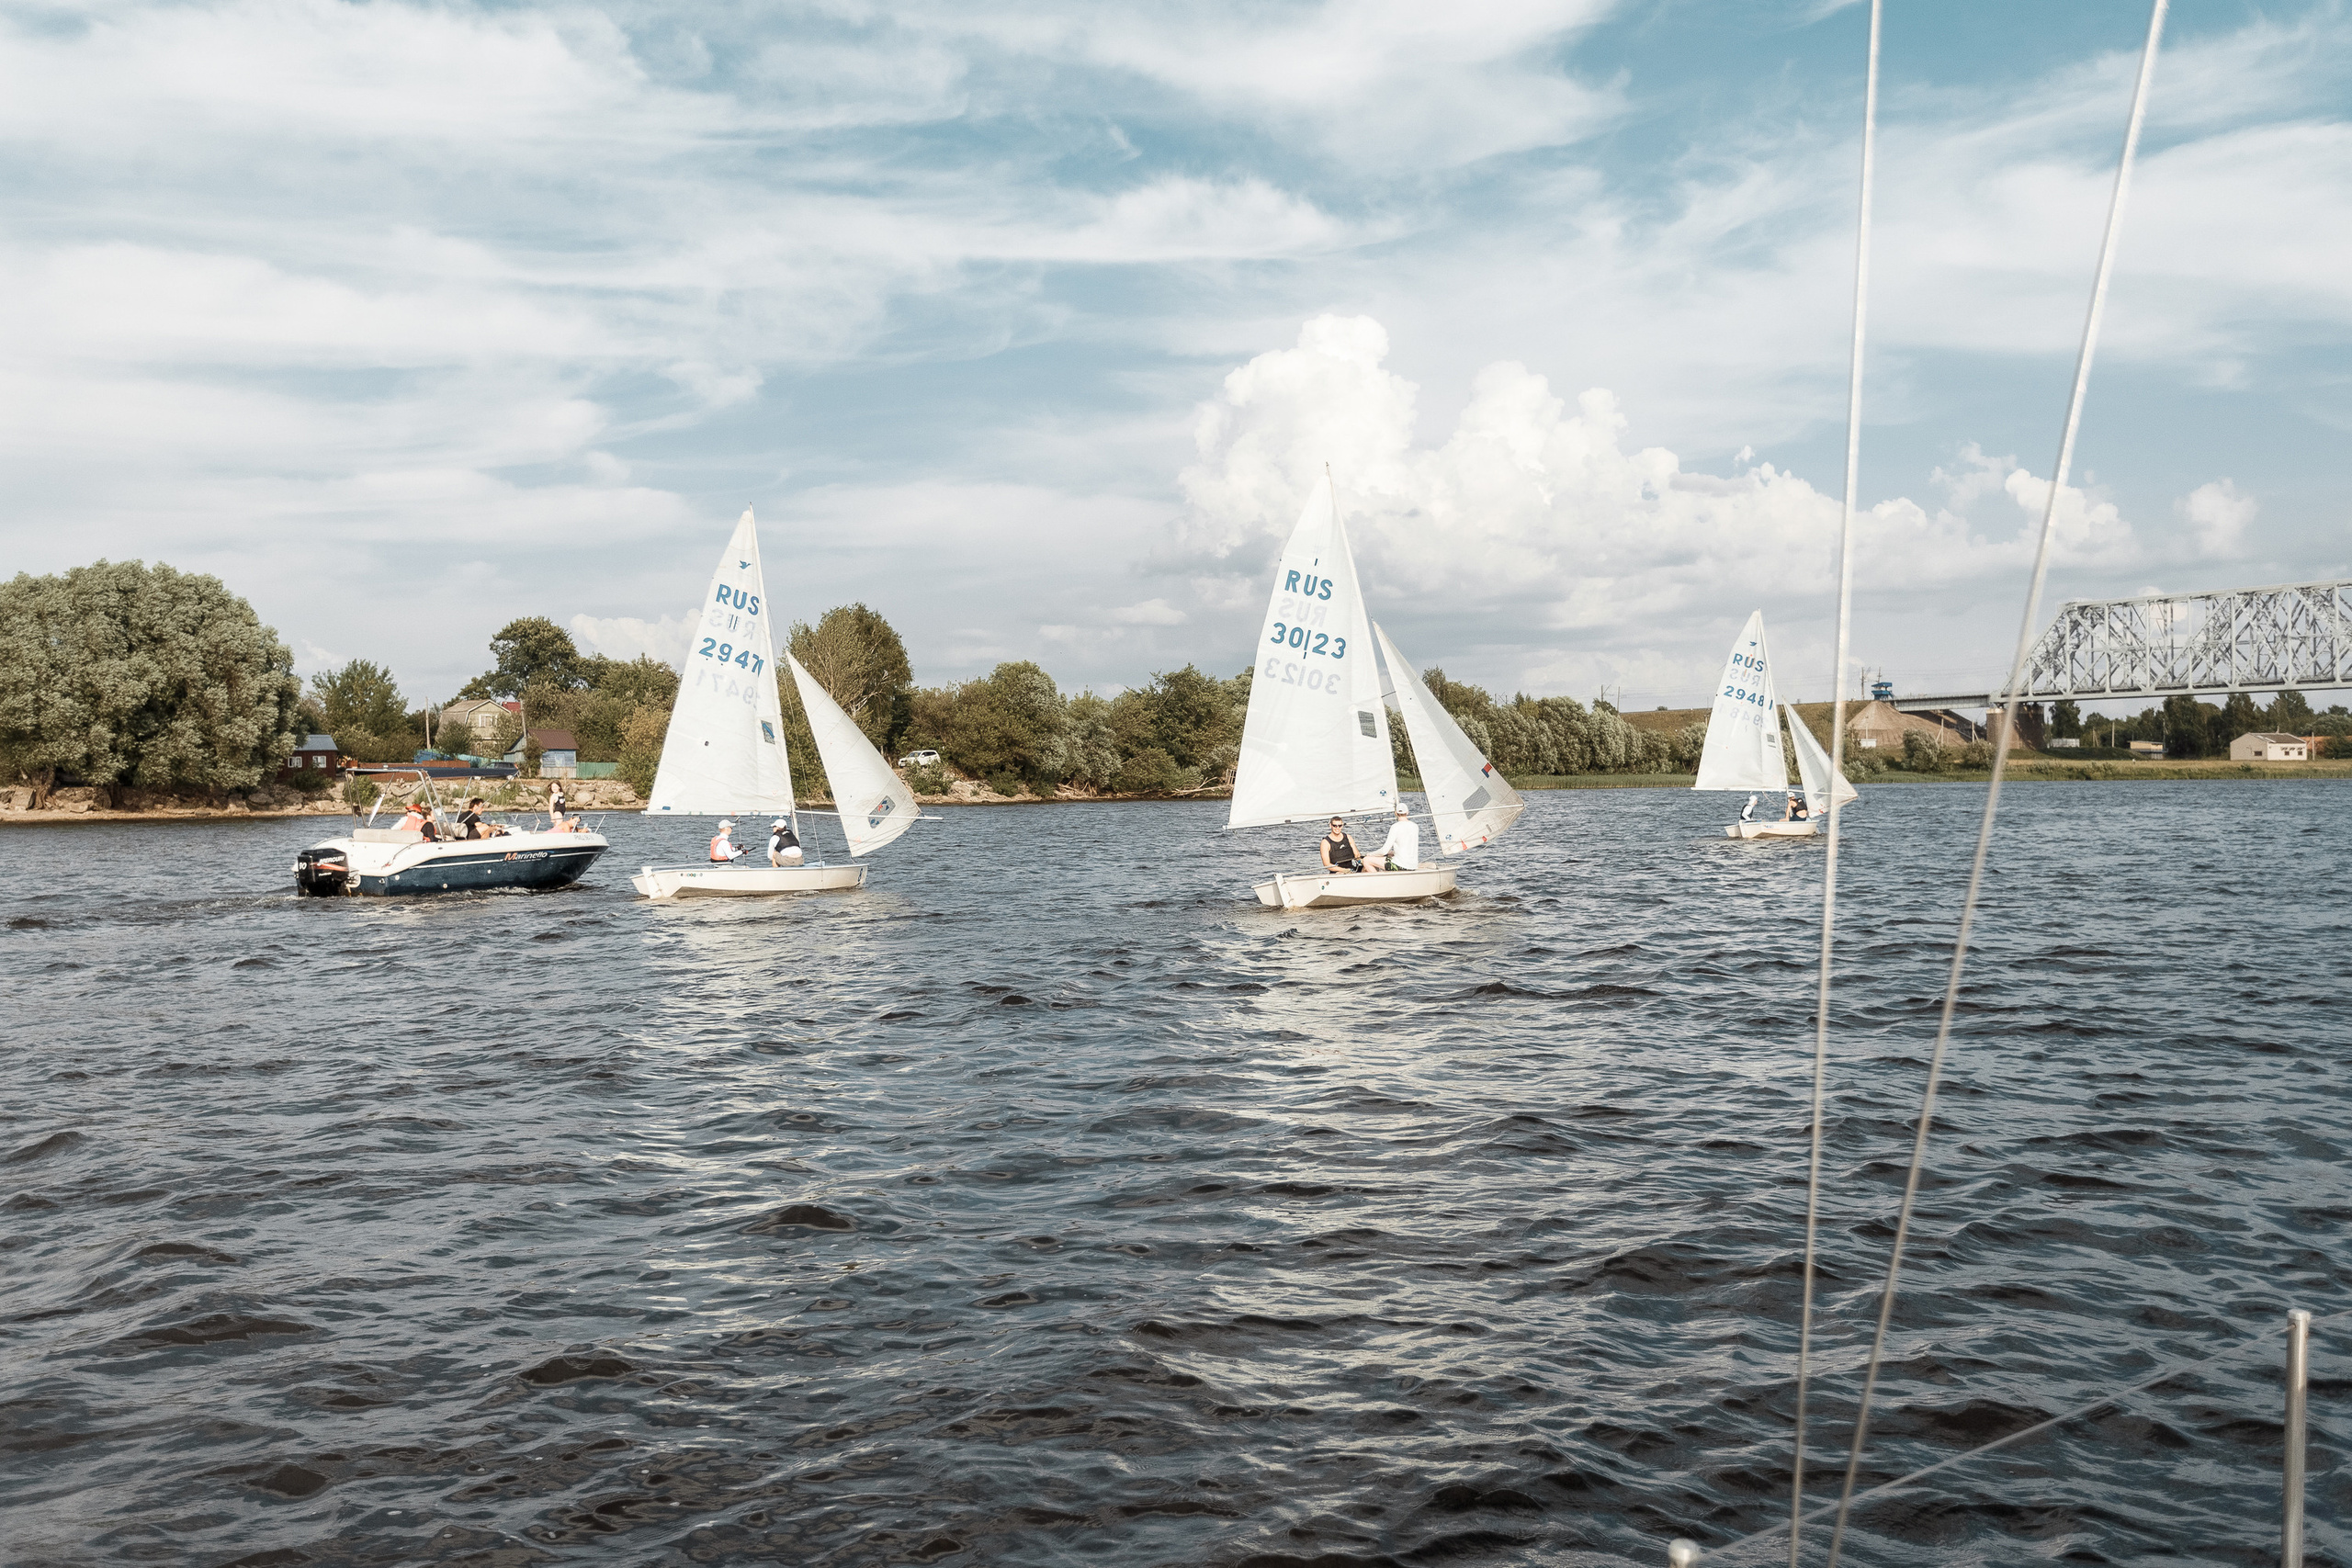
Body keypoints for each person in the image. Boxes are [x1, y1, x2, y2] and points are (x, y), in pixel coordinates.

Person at [1368, 803, 1419, 871]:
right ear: (1407, 812)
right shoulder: (1415, 826)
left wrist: (1370, 854)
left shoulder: (1395, 827)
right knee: (1389, 855)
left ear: (1395, 813)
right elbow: (1405, 847)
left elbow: (1384, 851)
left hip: (1400, 865)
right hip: (1413, 865)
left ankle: (1379, 880)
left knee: (1367, 860)